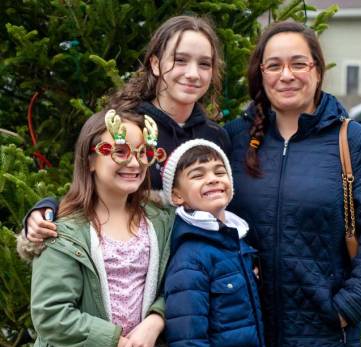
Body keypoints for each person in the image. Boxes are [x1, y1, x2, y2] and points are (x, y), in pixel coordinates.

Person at [224, 21, 361, 347]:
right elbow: (162, 179)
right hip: (245, 328)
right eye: (274, 65)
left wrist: (346, 308)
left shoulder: (351, 140)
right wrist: (49, 207)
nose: (287, 75)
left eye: (298, 63)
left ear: (317, 70)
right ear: (260, 74)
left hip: (319, 332)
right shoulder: (233, 139)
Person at [25, 109, 171, 347]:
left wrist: (155, 320)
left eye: (142, 152)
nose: (133, 163)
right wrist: (118, 344)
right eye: (119, 151)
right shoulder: (63, 231)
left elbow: (179, 282)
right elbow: (50, 312)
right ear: (90, 159)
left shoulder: (160, 223)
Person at [25, 15, 230, 241]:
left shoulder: (215, 137)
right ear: (155, 64)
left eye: (204, 64)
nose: (193, 74)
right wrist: (45, 209)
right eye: (180, 60)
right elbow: (85, 189)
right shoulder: (123, 128)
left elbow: (228, 206)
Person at [160, 139, 279, 347]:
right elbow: (189, 343)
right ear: (176, 195)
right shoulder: (191, 257)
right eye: (197, 175)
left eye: (219, 171)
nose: (212, 179)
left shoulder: (237, 242)